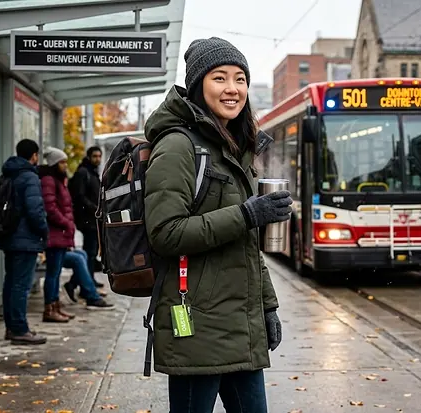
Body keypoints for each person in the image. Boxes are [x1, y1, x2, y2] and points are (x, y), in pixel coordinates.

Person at [143, 37, 292, 413]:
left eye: (240, 79)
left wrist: (267, 306)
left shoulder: (231, 148)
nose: (233, 89)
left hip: (238, 323)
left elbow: (243, 245)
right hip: (198, 323)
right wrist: (247, 214)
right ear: (197, 86)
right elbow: (166, 233)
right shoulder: (177, 146)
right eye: (220, 78)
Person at [0, 139, 49, 345]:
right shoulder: (29, 177)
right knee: (21, 285)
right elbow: (35, 210)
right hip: (25, 238)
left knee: (10, 282)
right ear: (34, 155)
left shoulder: (9, 173)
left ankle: (11, 326)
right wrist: (44, 231)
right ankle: (20, 329)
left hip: (10, 236)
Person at [39, 147, 76, 323]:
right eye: (62, 162)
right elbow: (50, 207)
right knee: (52, 274)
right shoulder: (49, 180)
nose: (65, 165)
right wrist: (66, 223)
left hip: (60, 234)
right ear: (54, 163)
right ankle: (50, 309)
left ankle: (56, 307)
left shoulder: (59, 180)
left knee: (56, 272)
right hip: (55, 234)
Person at [67, 146, 104, 294]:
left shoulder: (92, 173)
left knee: (91, 252)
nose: (98, 159)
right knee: (89, 252)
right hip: (87, 219)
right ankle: (81, 284)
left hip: (93, 219)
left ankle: (88, 280)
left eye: (99, 156)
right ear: (89, 157)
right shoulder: (83, 173)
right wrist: (95, 208)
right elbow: (79, 196)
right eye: (95, 156)